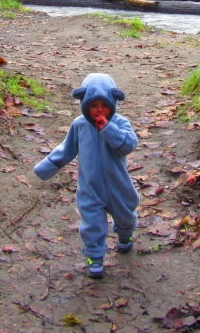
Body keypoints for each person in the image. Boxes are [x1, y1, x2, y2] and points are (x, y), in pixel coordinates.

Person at [33, 73, 139, 278]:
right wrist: (46, 167)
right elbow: (66, 149)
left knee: (126, 215)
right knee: (92, 223)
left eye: (104, 105)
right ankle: (95, 257)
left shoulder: (120, 122)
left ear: (113, 103)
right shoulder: (79, 125)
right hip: (90, 187)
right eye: (93, 105)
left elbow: (128, 145)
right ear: (84, 104)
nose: (99, 110)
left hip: (119, 184)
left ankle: (125, 236)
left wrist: (109, 129)